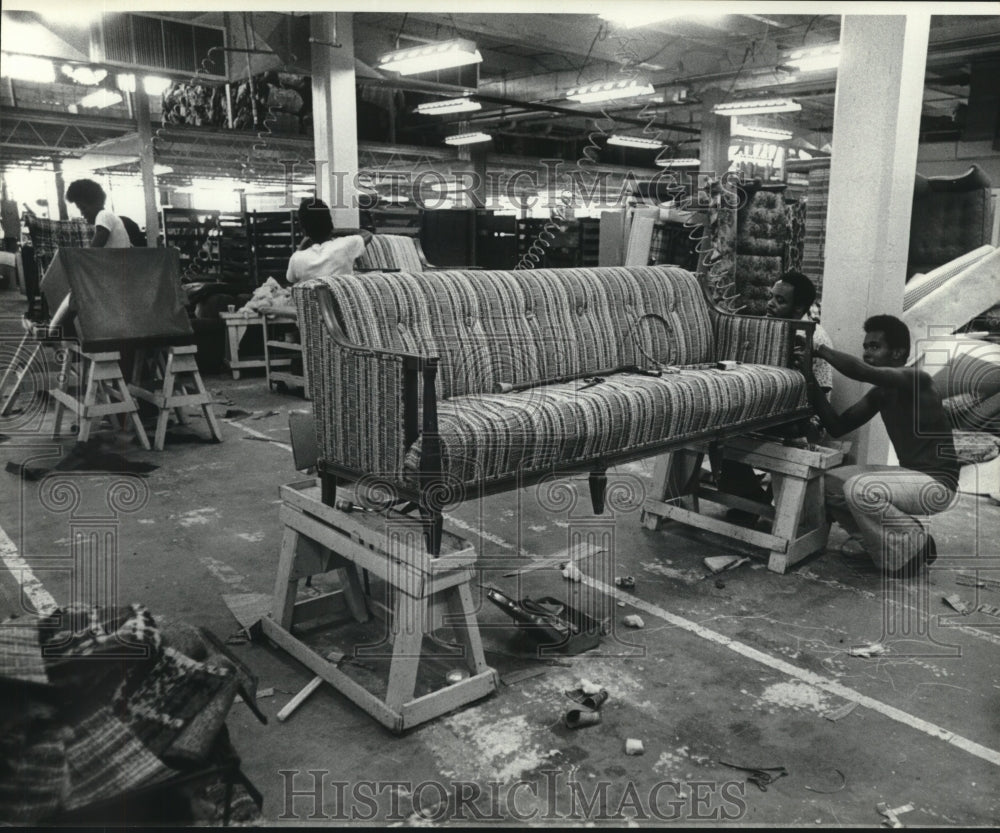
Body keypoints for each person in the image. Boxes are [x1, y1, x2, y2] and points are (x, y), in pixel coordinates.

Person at [802, 314, 959, 578]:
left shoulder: (916, 378)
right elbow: (838, 427)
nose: (867, 353)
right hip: (911, 477)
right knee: (826, 483)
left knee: (860, 489)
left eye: (874, 347)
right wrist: (809, 379)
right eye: (865, 347)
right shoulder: (880, 393)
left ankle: (913, 543)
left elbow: (863, 372)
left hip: (938, 485)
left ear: (898, 353)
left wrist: (817, 349)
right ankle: (879, 544)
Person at [719, 270, 834, 522]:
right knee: (715, 427)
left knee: (723, 429)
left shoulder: (813, 338)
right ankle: (750, 500)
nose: (771, 303)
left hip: (806, 419)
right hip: (775, 409)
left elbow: (821, 395)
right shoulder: (772, 327)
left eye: (780, 300)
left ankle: (748, 501)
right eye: (772, 297)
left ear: (799, 308)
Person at [285, 196, 372, 285]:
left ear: (303, 229)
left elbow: (290, 279)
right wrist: (334, 231)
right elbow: (367, 234)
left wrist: (305, 239)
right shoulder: (345, 245)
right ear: (330, 222)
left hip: (314, 299)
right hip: (343, 297)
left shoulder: (296, 259)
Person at [64, 179, 132, 249]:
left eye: (83, 208)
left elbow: (95, 248)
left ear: (95, 203)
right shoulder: (110, 216)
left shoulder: (103, 215)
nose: (82, 213)